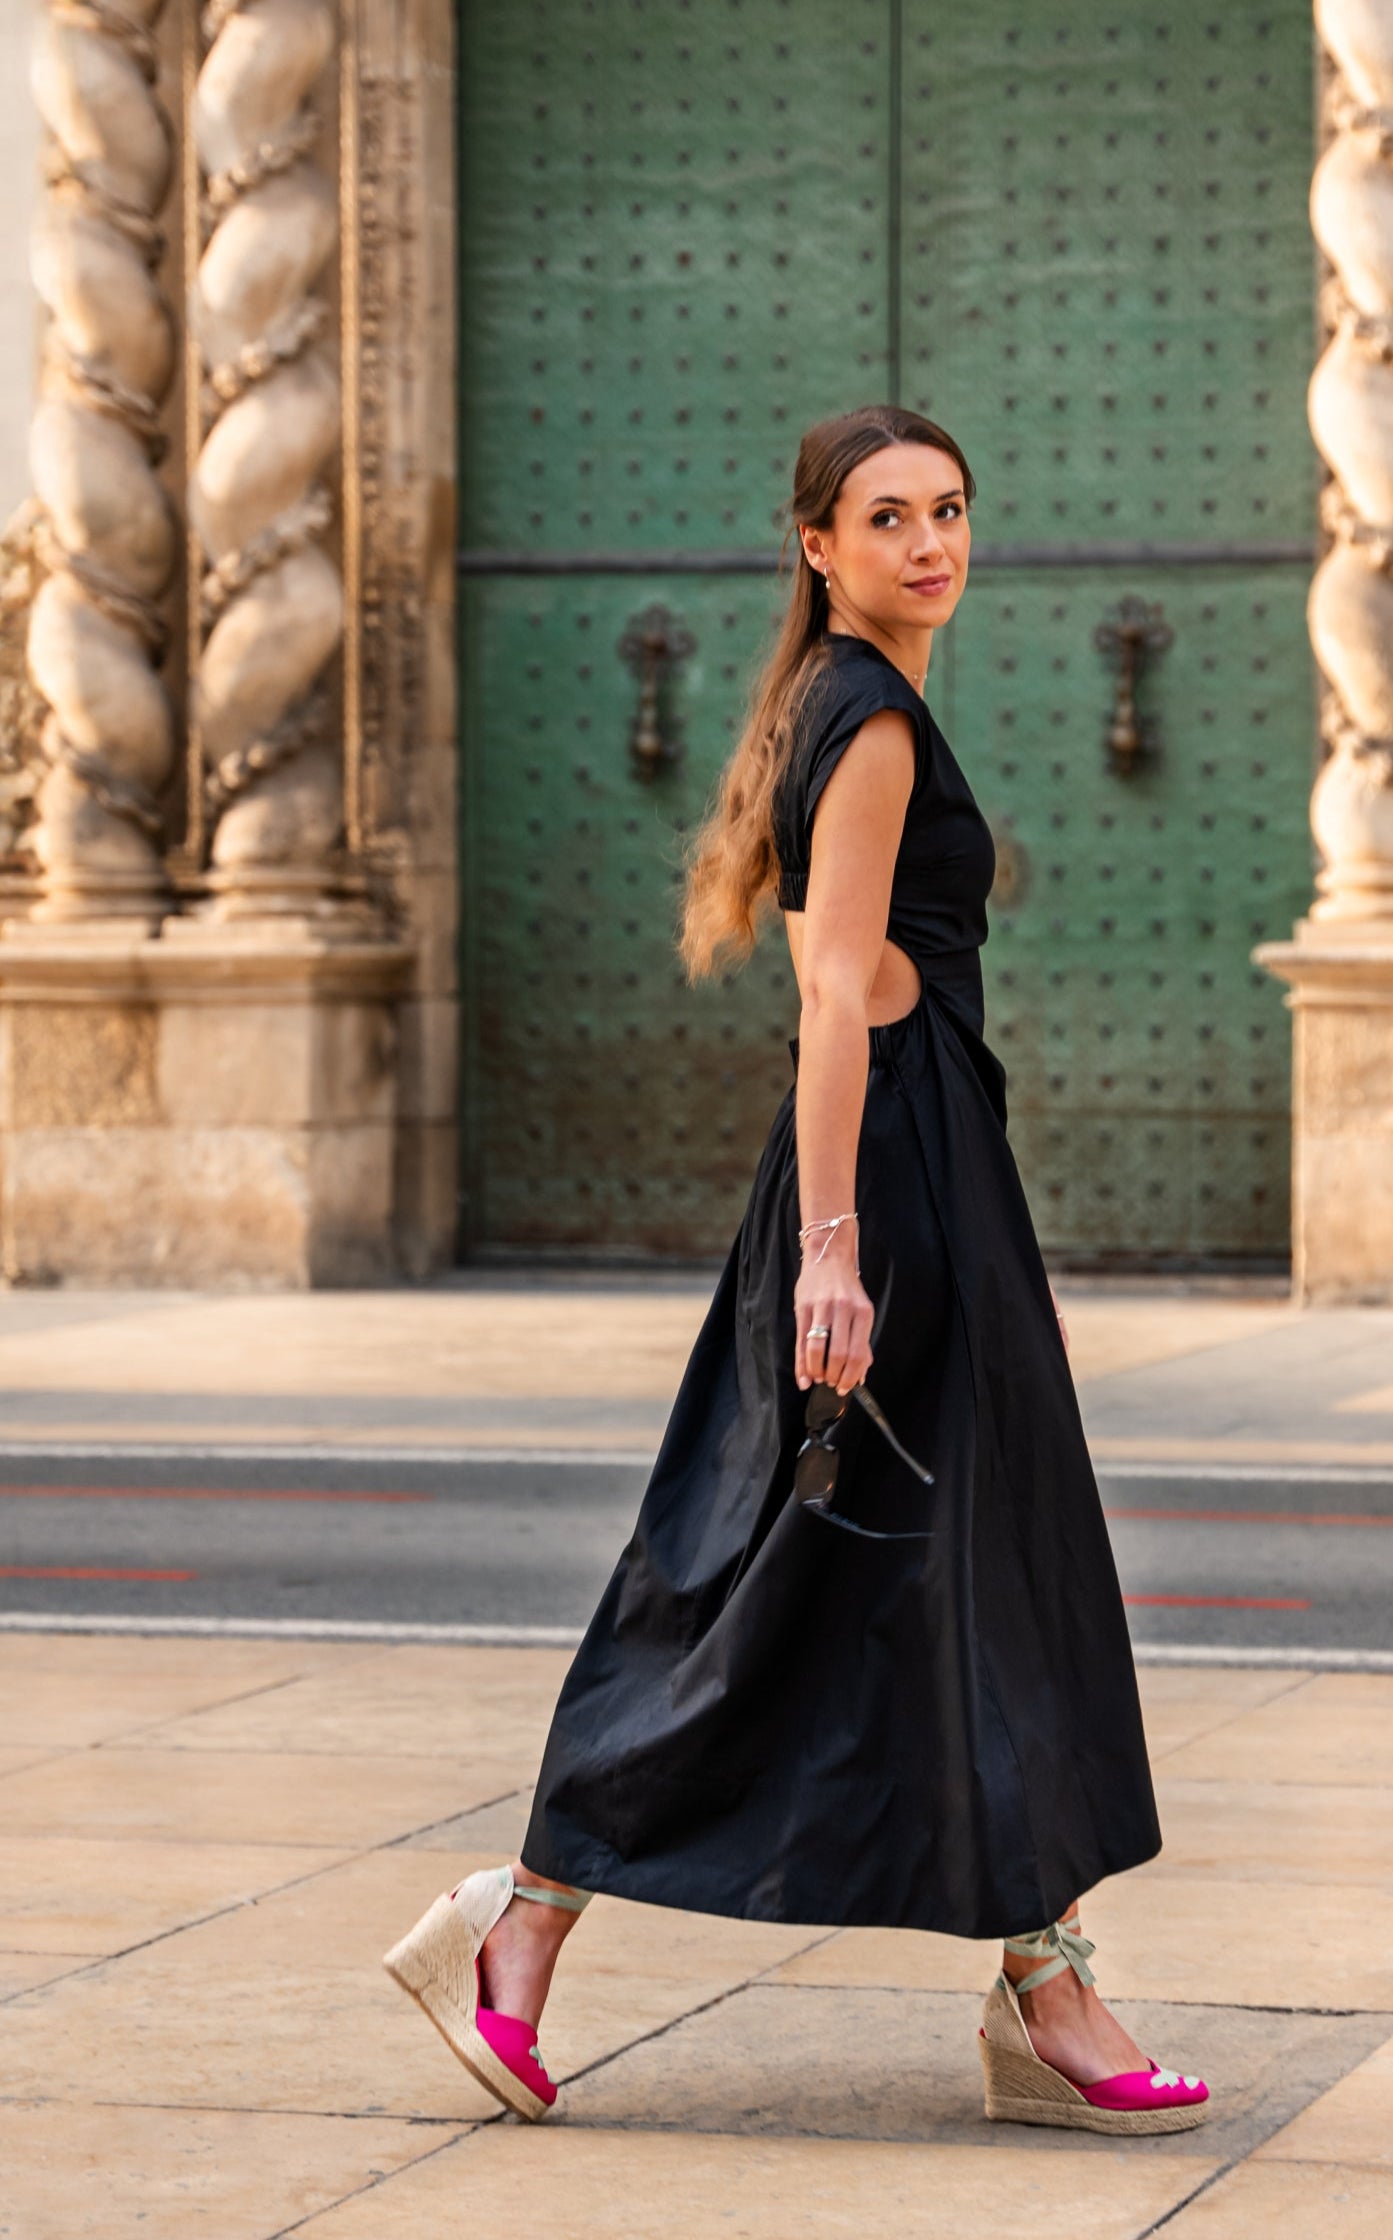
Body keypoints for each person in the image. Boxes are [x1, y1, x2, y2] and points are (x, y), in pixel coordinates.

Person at [384, 403, 1209, 2138]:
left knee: (901, 1574)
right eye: (888, 516)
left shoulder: (834, 701)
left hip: (909, 1169)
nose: (932, 542)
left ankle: (1030, 1978)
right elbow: (833, 992)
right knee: (809, 1568)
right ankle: (532, 1923)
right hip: (893, 1189)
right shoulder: (876, 720)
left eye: (953, 509)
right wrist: (834, 1253)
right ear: (818, 549)